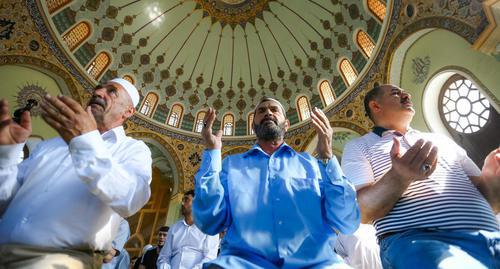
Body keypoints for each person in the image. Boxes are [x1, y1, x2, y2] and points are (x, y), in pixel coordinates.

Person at [342, 84, 500, 269]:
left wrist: (493, 178)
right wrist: (399, 177)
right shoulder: (359, 147)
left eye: (404, 91)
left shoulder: (439, 139)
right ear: (376, 106)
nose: (406, 94)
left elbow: (489, 200)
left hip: (491, 233)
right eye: (396, 93)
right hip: (422, 242)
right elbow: (361, 211)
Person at [0, 78, 152, 268]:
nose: (98, 93)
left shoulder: (133, 150)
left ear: (128, 111)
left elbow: (131, 198)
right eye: (97, 89)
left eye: (112, 91)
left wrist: (85, 141)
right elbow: (4, 201)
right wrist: (7, 154)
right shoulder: (52, 145)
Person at [192, 97, 360, 268]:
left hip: (316, 263)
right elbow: (209, 221)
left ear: (286, 124)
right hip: (243, 263)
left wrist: (328, 158)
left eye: (274, 109)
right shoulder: (231, 166)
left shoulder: (312, 165)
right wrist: (212, 153)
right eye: (261, 111)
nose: (268, 113)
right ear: (253, 126)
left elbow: (347, 222)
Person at [157, 190, 219, 269]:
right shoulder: (174, 228)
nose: (182, 203)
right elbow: (163, 257)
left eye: (186, 200)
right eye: (182, 200)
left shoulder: (209, 228)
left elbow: (210, 258)